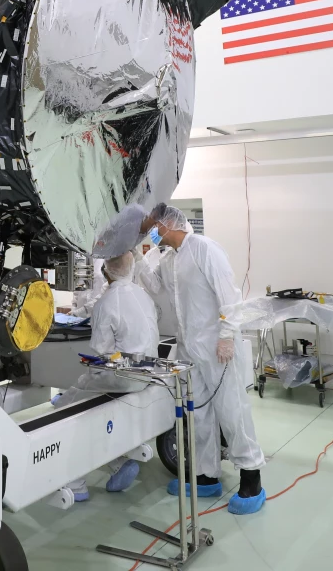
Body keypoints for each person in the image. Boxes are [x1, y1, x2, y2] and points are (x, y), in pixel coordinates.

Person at [136, 203, 266, 514]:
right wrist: (136, 253)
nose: (152, 233)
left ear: (169, 223)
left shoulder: (205, 249)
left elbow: (230, 296)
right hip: (189, 349)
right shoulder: (169, 259)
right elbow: (154, 286)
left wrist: (226, 334)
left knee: (231, 411)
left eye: (154, 227)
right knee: (199, 413)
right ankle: (207, 476)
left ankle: (252, 477)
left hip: (216, 347)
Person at [60, 249, 160, 502]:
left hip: (120, 377)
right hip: (147, 374)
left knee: (67, 410)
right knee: (80, 395)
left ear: (106, 270)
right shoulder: (143, 295)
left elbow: (101, 350)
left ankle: (75, 484)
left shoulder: (108, 301)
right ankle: (117, 463)